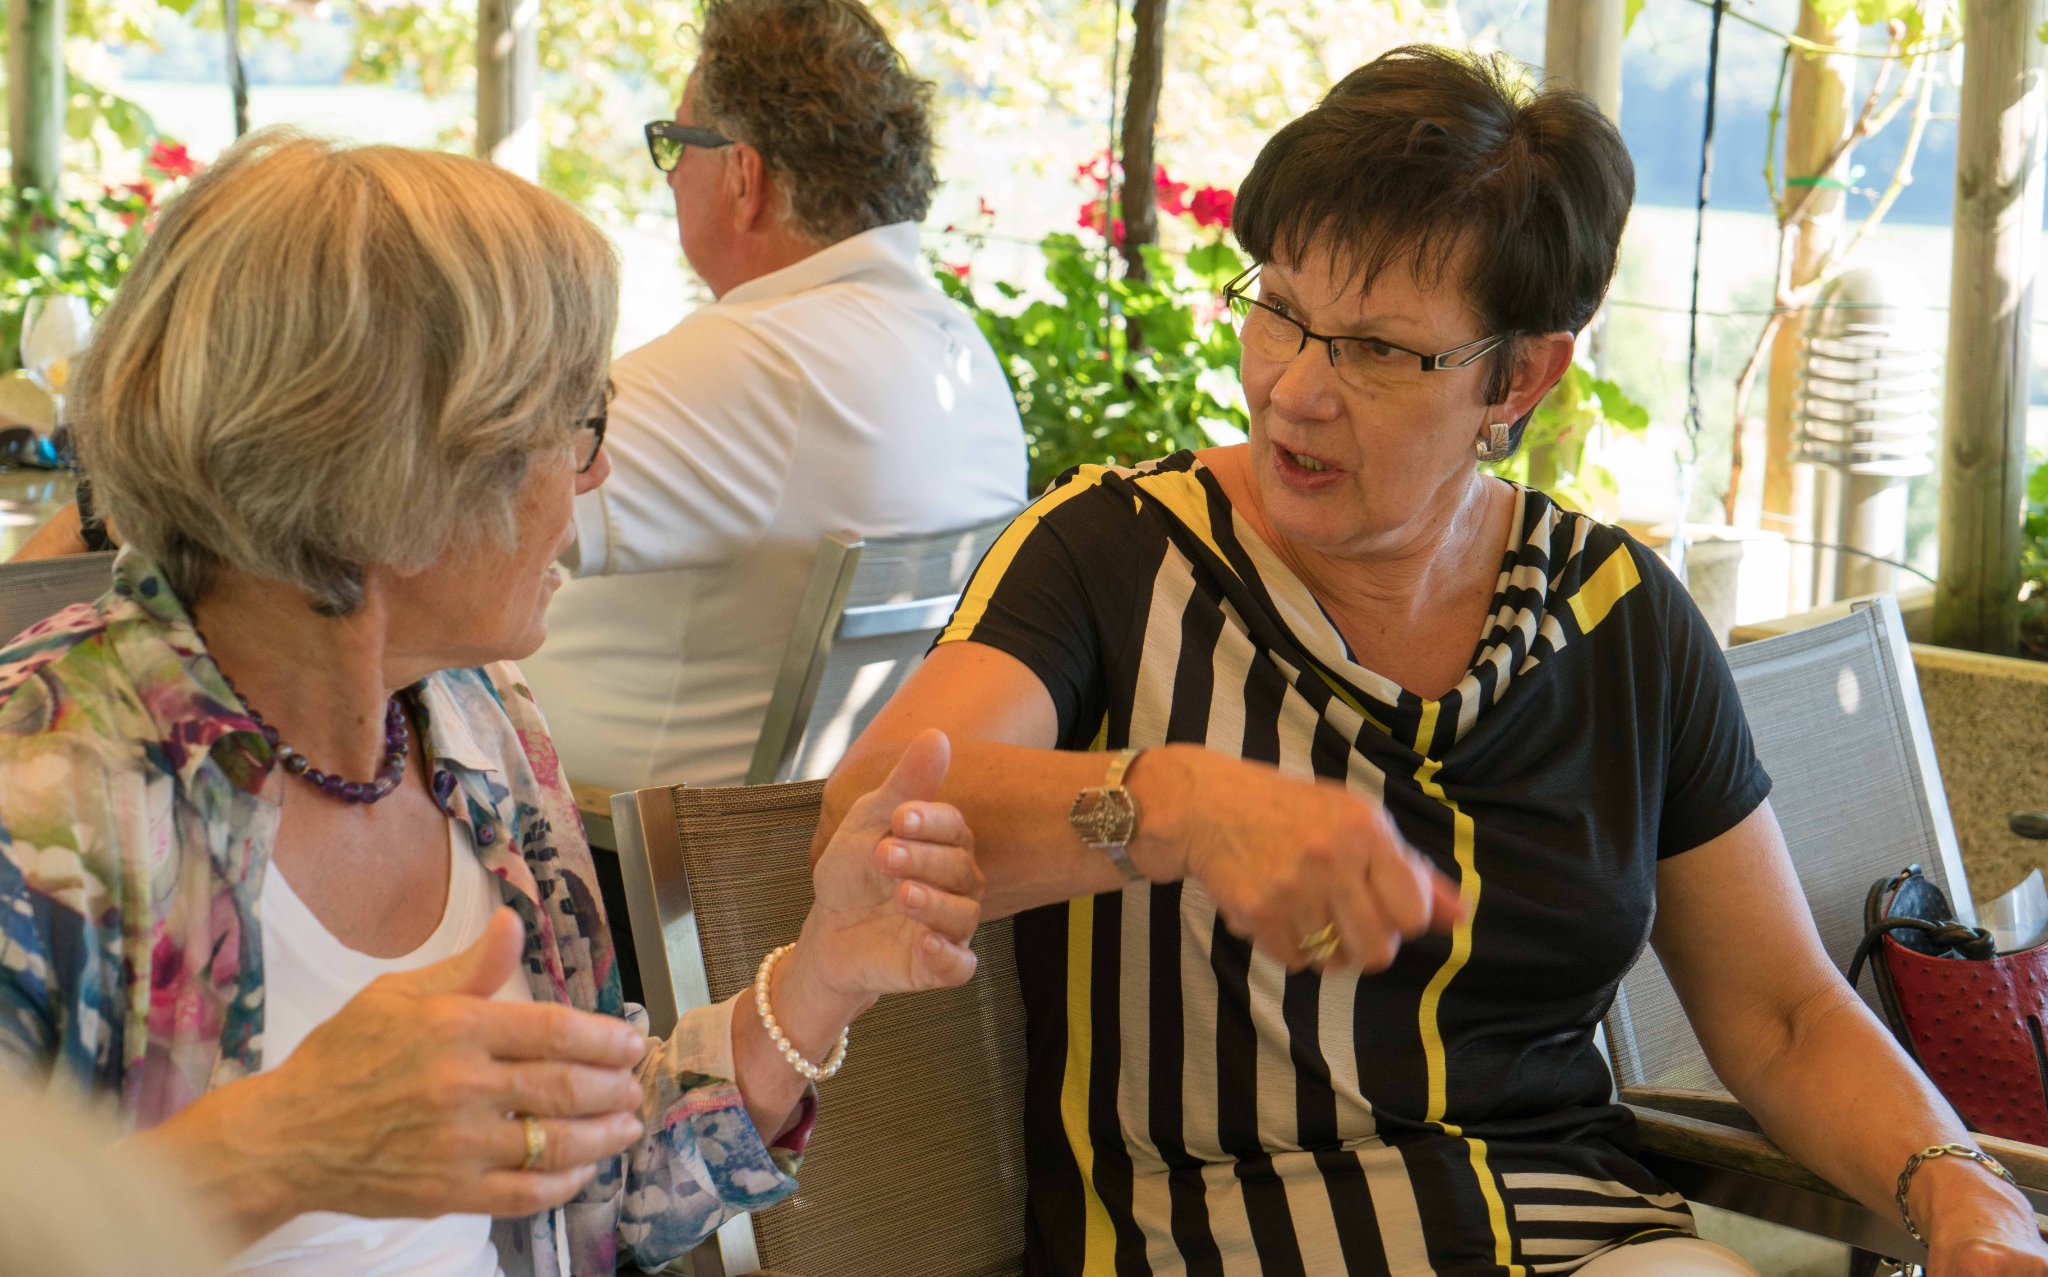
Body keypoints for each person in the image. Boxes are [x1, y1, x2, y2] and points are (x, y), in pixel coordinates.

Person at [822, 47, 2048, 1276]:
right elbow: (868, 819)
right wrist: (1171, 804)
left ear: (1519, 375)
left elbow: (1780, 1014)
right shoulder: (1112, 552)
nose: (1294, 390)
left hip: (1586, 1241)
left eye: (1374, 349)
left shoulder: (1614, 617)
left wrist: (1955, 1181)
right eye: (1278, 310)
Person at [0, 129, 985, 1277]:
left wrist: (821, 978)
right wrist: (277, 1148)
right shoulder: (43, 798)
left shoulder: (475, 720)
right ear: (400, 467)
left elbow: (588, 1192)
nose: (594, 470)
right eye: (577, 422)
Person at [517, 0, 1027, 793]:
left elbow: (460, 505)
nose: (671, 175)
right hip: (805, 844)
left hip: (610, 846)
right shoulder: (961, 355)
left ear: (743, 178)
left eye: (676, 143)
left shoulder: (756, 366)